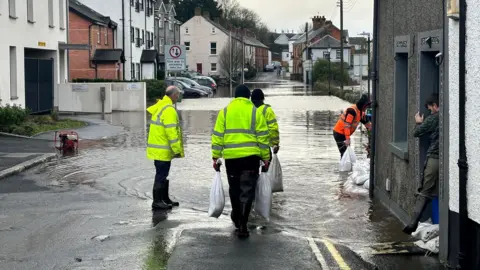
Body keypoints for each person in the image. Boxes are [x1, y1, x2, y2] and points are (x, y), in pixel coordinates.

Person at [211, 85, 271, 238]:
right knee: (247, 190)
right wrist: (266, 157)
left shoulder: (225, 112)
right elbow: (263, 137)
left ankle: (237, 219)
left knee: (234, 189)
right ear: (248, 97)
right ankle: (243, 225)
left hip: (231, 158)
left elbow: (217, 135)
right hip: (251, 158)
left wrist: (215, 156)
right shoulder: (255, 112)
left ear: (235, 96)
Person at [403, 93, 440, 234]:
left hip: (435, 157)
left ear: (435, 106)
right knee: (434, 191)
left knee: (425, 190)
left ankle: (413, 223)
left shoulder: (434, 118)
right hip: (444, 159)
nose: (430, 111)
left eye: (430, 108)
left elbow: (416, 133)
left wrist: (418, 122)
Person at [146, 86, 184, 210]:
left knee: (163, 174)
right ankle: (157, 201)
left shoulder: (160, 106)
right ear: (173, 95)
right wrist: (177, 149)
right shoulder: (168, 110)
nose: (178, 97)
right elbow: (171, 132)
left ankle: (164, 199)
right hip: (163, 149)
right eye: (177, 94)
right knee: (161, 175)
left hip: (158, 148)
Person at [251, 88, 280, 158]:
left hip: (250, 148)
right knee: (267, 168)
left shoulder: (249, 110)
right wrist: (275, 144)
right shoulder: (267, 110)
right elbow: (273, 129)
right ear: (263, 98)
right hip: (264, 147)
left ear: (251, 99)